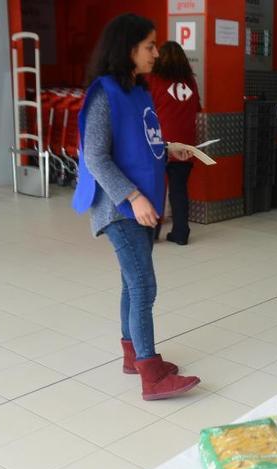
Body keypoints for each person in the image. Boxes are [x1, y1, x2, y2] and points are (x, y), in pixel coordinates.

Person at [72, 13, 200, 401]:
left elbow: (141, 142)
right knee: (144, 286)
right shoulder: (104, 93)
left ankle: (133, 356)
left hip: (142, 203)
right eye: (149, 46)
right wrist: (132, 196)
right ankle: (150, 372)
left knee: (133, 285)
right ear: (128, 49)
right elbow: (95, 156)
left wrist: (169, 148)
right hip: (120, 207)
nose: (156, 53)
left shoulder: (141, 91)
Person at [147, 41, 201, 246]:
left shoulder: (154, 80)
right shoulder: (190, 82)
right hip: (185, 144)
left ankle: (152, 232)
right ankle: (181, 232)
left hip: (159, 143)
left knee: (156, 188)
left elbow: (146, 109)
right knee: (179, 189)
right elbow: (196, 108)